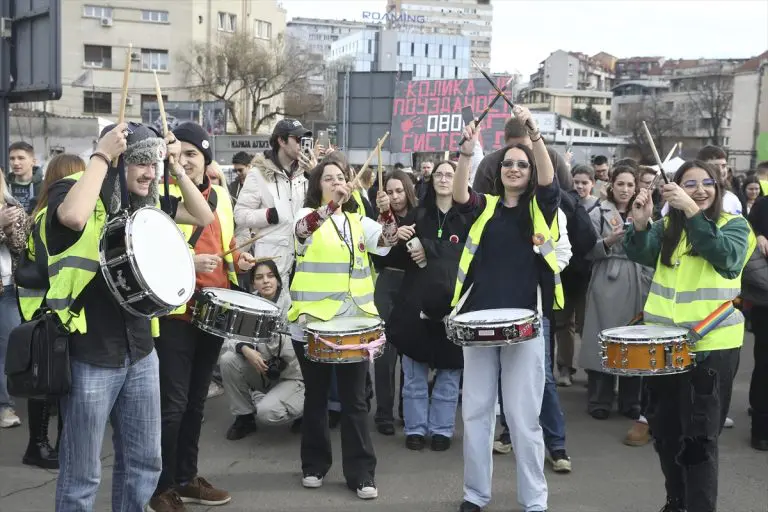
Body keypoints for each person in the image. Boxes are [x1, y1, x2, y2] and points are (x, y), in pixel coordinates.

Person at [46, 122, 213, 511]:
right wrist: (102, 155)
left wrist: (175, 166)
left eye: (151, 163)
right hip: (90, 352)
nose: (148, 172)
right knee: (82, 474)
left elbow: (203, 216)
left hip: (140, 352)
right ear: (119, 162)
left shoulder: (150, 203)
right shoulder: (73, 189)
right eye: (139, 163)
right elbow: (72, 218)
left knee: (145, 463)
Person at [625, 160, 753, 512]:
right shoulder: (667, 226)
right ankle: (676, 501)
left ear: (720, 187)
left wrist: (694, 213)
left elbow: (726, 258)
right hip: (663, 347)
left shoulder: (736, 226)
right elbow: (640, 252)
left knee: (699, 441)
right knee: (665, 436)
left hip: (711, 350)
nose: (699, 189)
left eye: (706, 183)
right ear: (675, 188)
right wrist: (639, 224)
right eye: (690, 183)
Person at [453, 106, 559, 512]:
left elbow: (549, 179)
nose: (514, 168)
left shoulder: (540, 207)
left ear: (529, 172)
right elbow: (460, 195)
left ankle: (534, 501)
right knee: (477, 414)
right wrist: (466, 153)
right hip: (478, 323)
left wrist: (534, 134)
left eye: (522, 165)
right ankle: (475, 495)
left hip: (525, 327)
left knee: (522, 419)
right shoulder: (484, 207)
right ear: (498, 171)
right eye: (508, 164)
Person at [150, 121, 253, 512]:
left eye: (195, 154)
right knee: (172, 406)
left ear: (206, 160)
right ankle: (159, 487)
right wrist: (189, 261)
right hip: (174, 312)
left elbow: (226, 243)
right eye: (183, 153)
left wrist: (237, 258)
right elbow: (147, 250)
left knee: (196, 404)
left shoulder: (222, 196)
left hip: (213, 311)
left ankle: (185, 477)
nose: (188, 160)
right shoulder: (160, 194)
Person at [289, 154, 397, 500]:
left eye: (342, 178)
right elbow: (303, 231)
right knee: (316, 397)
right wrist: (328, 209)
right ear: (317, 186)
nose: (337, 182)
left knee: (355, 400)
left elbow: (388, 240)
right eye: (329, 178)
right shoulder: (304, 217)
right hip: (312, 324)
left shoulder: (358, 221)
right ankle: (314, 465)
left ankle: (362, 473)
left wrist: (386, 212)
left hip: (354, 324)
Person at [386, 160, 467, 452]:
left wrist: (429, 247)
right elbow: (391, 262)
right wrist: (400, 241)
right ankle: (416, 428)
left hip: (454, 306)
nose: (444, 179)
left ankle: (442, 429)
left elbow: (472, 254)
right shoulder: (418, 216)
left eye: (450, 174)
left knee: (449, 373)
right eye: (439, 174)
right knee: (414, 374)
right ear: (430, 180)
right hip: (415, 304)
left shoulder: (469, 216)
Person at [15, 154, 85, 469]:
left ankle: (42, 445)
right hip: (52, 311)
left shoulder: (39, 213)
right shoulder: (53, 217)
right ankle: (41, 446)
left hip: (38, 310)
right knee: (50, 381)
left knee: (46, 379)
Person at [580, 166, 650, 422]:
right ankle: (600, 399)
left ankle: (631, 400)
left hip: (638, 276)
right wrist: (609, 242)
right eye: (620, 184)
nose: (625, 190)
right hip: (607, 276)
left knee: (635, 339)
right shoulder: (598, 211)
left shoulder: (644, 209)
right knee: (603, 336)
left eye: (630, 185)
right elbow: (585, 249)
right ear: (611, 184)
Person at [221, 259, 304, 439]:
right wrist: (245, 348)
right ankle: (244, 418)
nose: (265, 281)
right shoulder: (249, 303)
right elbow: (229, 338)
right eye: (259, 277)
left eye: (270, 276)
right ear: (253, 283)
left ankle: (305, 412)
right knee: (228, 359)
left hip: (294, 377)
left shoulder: (295, 302)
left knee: (267, 413)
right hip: (266, 373)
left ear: (278, 280)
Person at [233, 119, 315, 281]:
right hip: (272, 264)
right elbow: (240, 215)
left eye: (305, 141)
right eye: (298, 140)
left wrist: (314, 175)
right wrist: (269, 215)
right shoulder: (258, 173)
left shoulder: (306, 172)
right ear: (282, 141)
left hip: (302, 259)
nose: (302, 145)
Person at [372, 169, 418, 436]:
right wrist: (388, 227)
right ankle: (384, 412)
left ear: (408, 191)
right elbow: (379, 257)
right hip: (387, 284)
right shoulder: (377, 219)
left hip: (412, 285)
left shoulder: (419, 215)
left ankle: (407, 409)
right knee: (384, 353)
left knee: (410, 351)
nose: (395, 196)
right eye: (389, 192)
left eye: (399, 190)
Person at [554, 164, 599, 386]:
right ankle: (565, 367)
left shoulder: (598, 208)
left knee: (585, 324)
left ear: (593, 184)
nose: (580, 186)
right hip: (565, 274)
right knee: (563, 324)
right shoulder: (563, 204)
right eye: (576, 182)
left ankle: (592, 368)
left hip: (587, 274)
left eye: (584, 182)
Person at [473, 116, 572, 194]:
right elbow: (475, 204)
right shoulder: (490, 164)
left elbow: (570, 195)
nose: (520, 153)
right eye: (513, 147)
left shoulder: (551, 157)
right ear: (505, 143)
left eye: (525, 147)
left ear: (532, 140)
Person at [0, 172, 27, 430]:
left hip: (8, 288)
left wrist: (9, 229)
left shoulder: (13, 206)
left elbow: (22, 245)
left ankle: (4, 406)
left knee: (6, 349)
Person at [6, 141, 43, 214]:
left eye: (21, 158)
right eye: (12, 158)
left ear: (33, 161)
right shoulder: (3, 186)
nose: (15, 163)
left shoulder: (44, 186)